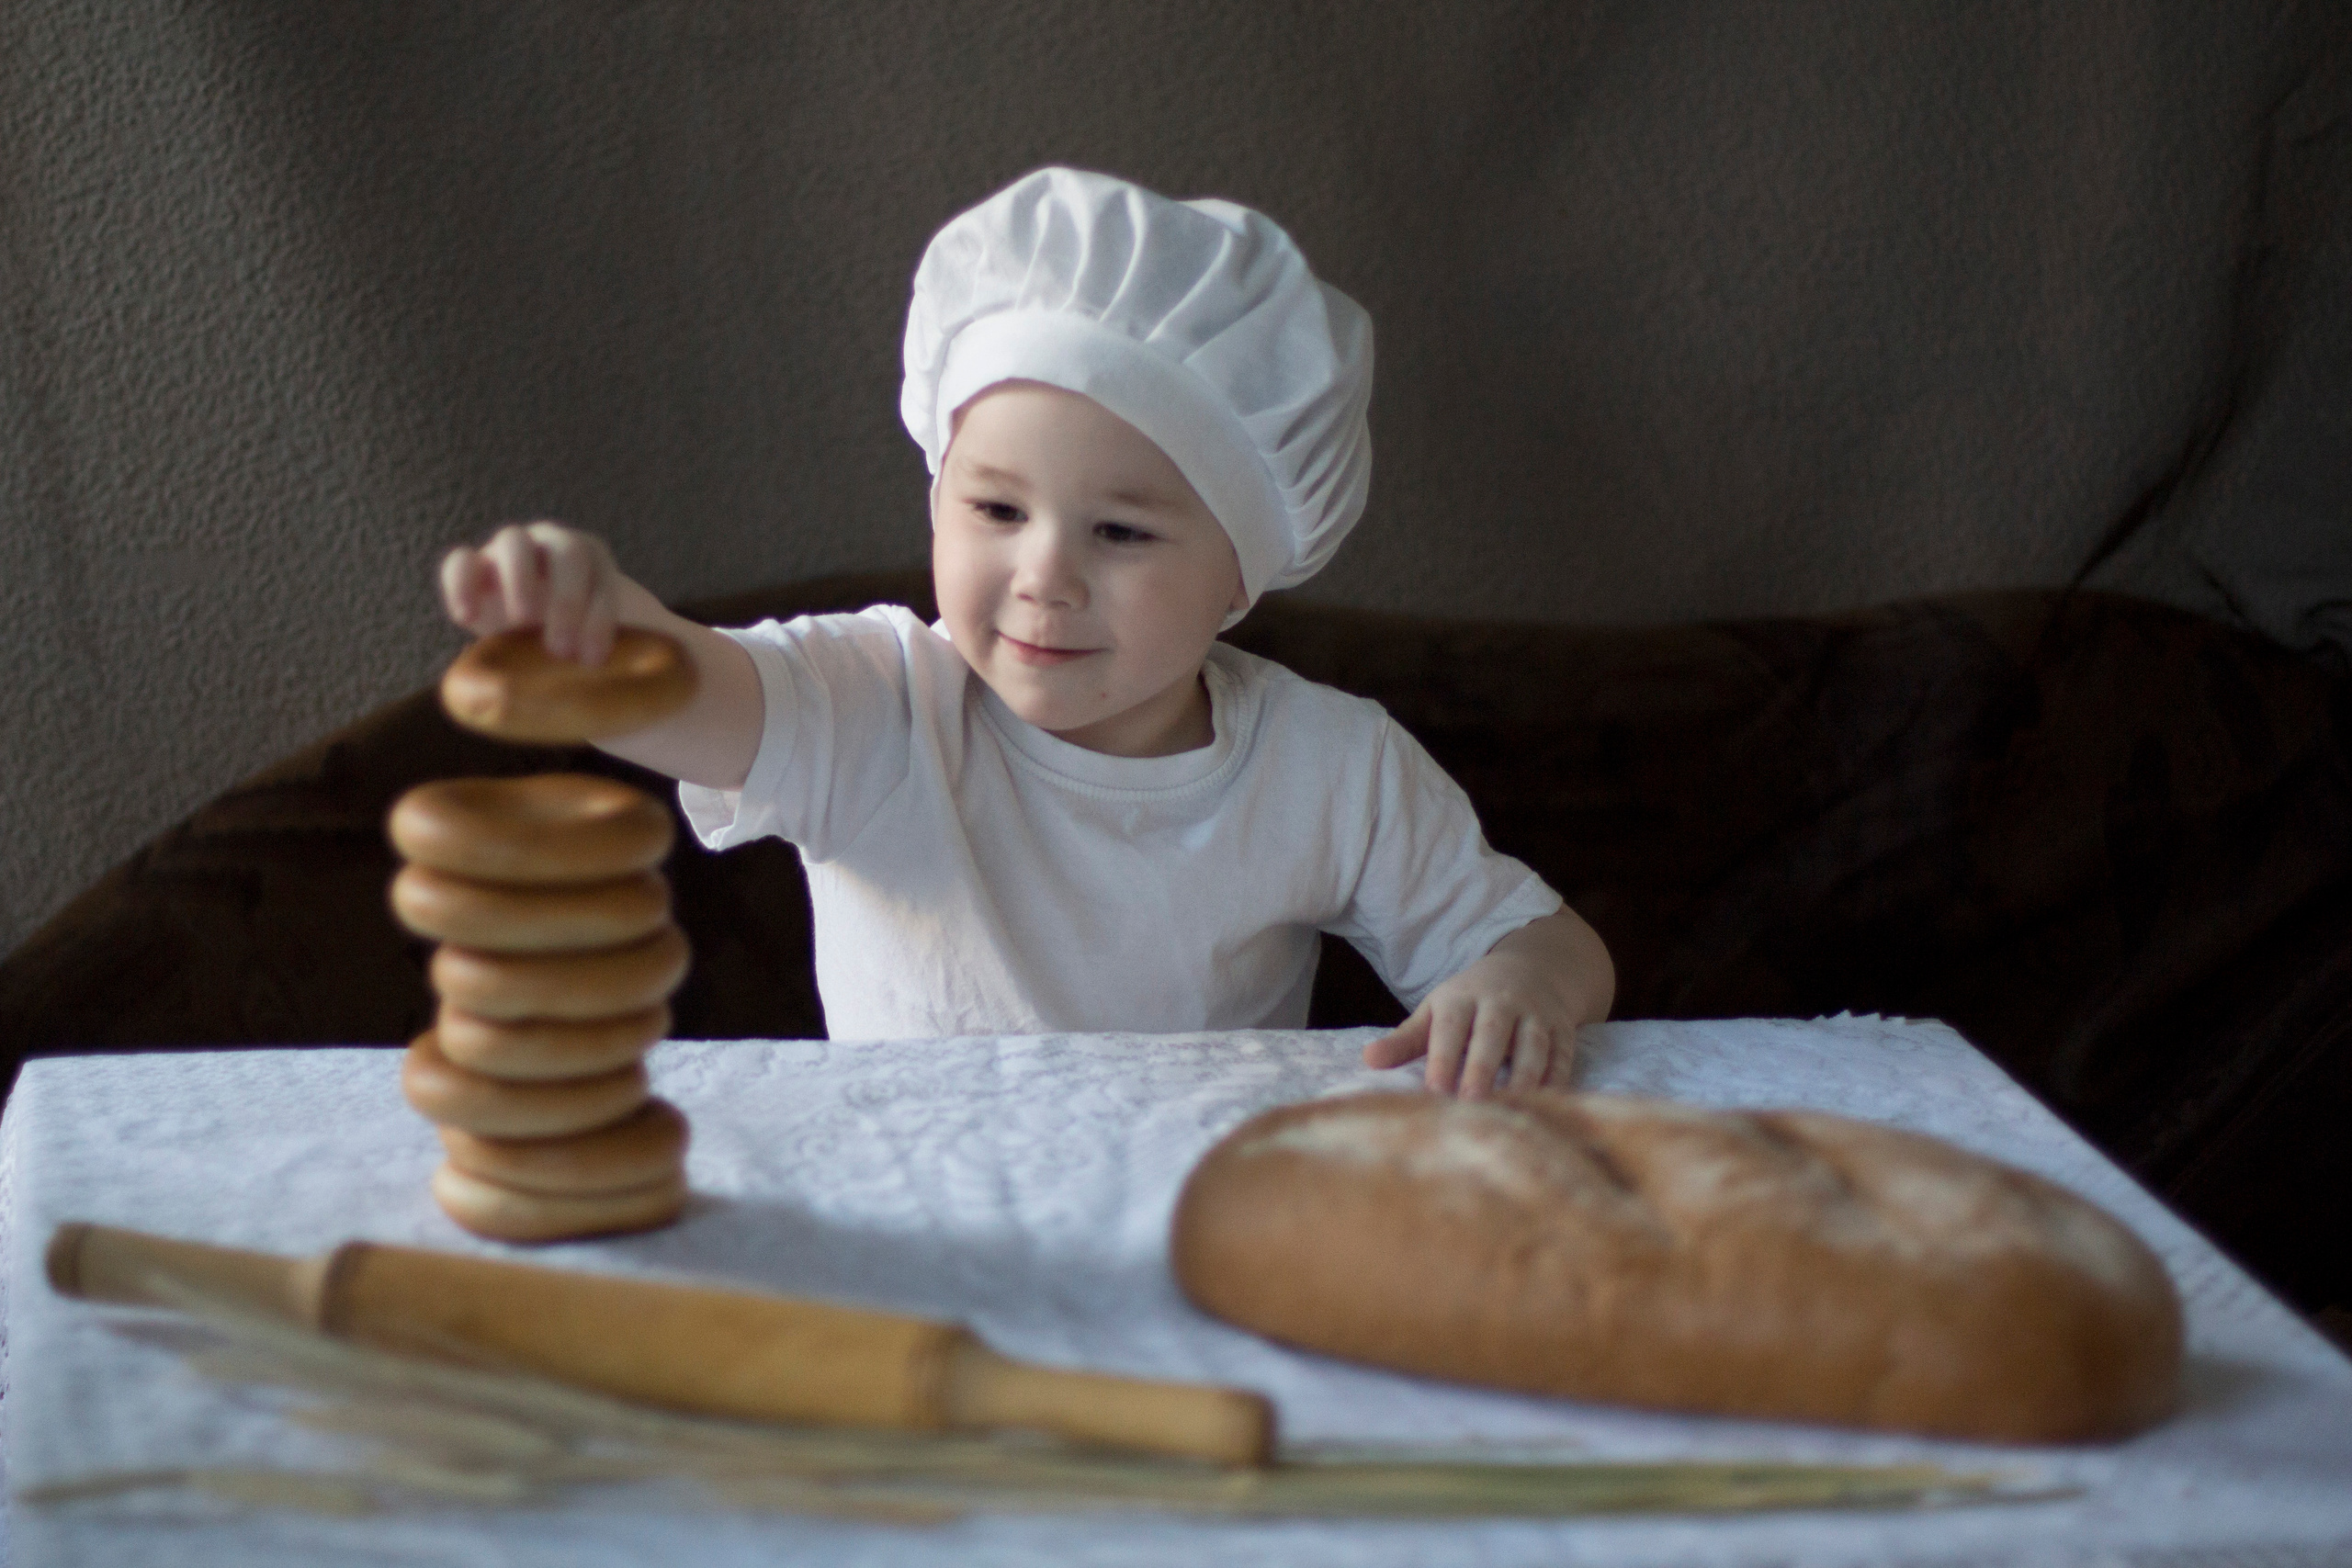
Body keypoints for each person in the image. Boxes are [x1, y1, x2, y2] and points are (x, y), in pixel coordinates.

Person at [439, 167, 1613, 1097]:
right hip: (915, 1219)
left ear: (1242, 579)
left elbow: (1550, 946)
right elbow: (697, 694)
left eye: (1121, 533)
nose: (1042, 577)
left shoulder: (1332, 767)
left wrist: (1514, 985)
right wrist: (600, 632)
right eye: (996, 510)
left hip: (1195, 1225)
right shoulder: (878, 705)